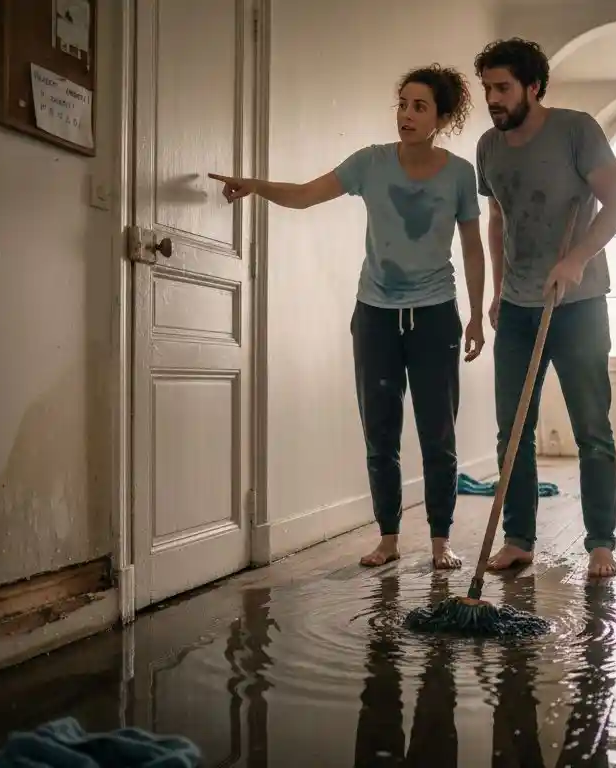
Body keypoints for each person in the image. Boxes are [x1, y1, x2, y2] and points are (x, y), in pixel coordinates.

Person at [209, 65, 487, 570]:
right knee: (379, 431)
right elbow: (305, 195)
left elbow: (472, 247)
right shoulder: (371, 163)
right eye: (402, 104)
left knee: (437, 433)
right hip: (375, 316)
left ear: (441, 117)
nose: (406, 115)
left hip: (434, 317)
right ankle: (388, 537)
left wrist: (473, 316)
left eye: (419, 106)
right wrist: (253, 185)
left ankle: (441, 541)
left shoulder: (459, 174)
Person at [472, 38, 616, 579]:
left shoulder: (576, 131)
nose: (492, 98)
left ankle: (601, 543)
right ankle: (518, 538)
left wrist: (577, 259)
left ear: (533, 87)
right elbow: (498, 221)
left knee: (591, 426)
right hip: (518, 306)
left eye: (502, 88)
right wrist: (498, 288)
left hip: (579, 304)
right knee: (512, 428)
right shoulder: (488, 148)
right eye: (487, 88)